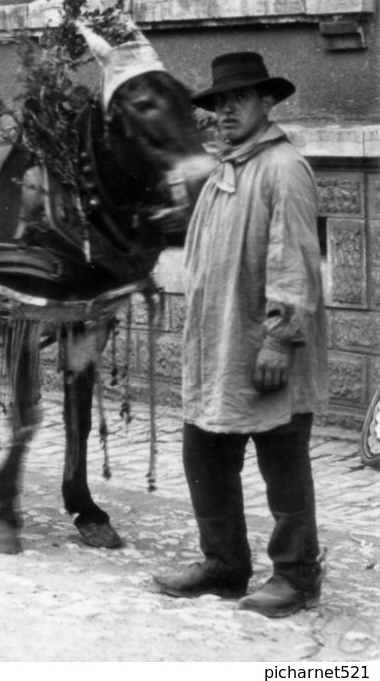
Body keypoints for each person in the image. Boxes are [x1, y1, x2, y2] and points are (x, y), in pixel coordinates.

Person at [153, 52, 329, 618]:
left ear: (267, 103)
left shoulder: (282, 168)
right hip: (218, 343)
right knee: (204, 451)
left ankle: (297, 576)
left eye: (238, 100)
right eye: (217, 102)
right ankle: (225, 565)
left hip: (263, 347)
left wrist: (281, 338)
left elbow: (296, 260)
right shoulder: (227, 168)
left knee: (282, 461)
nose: (225, 111)